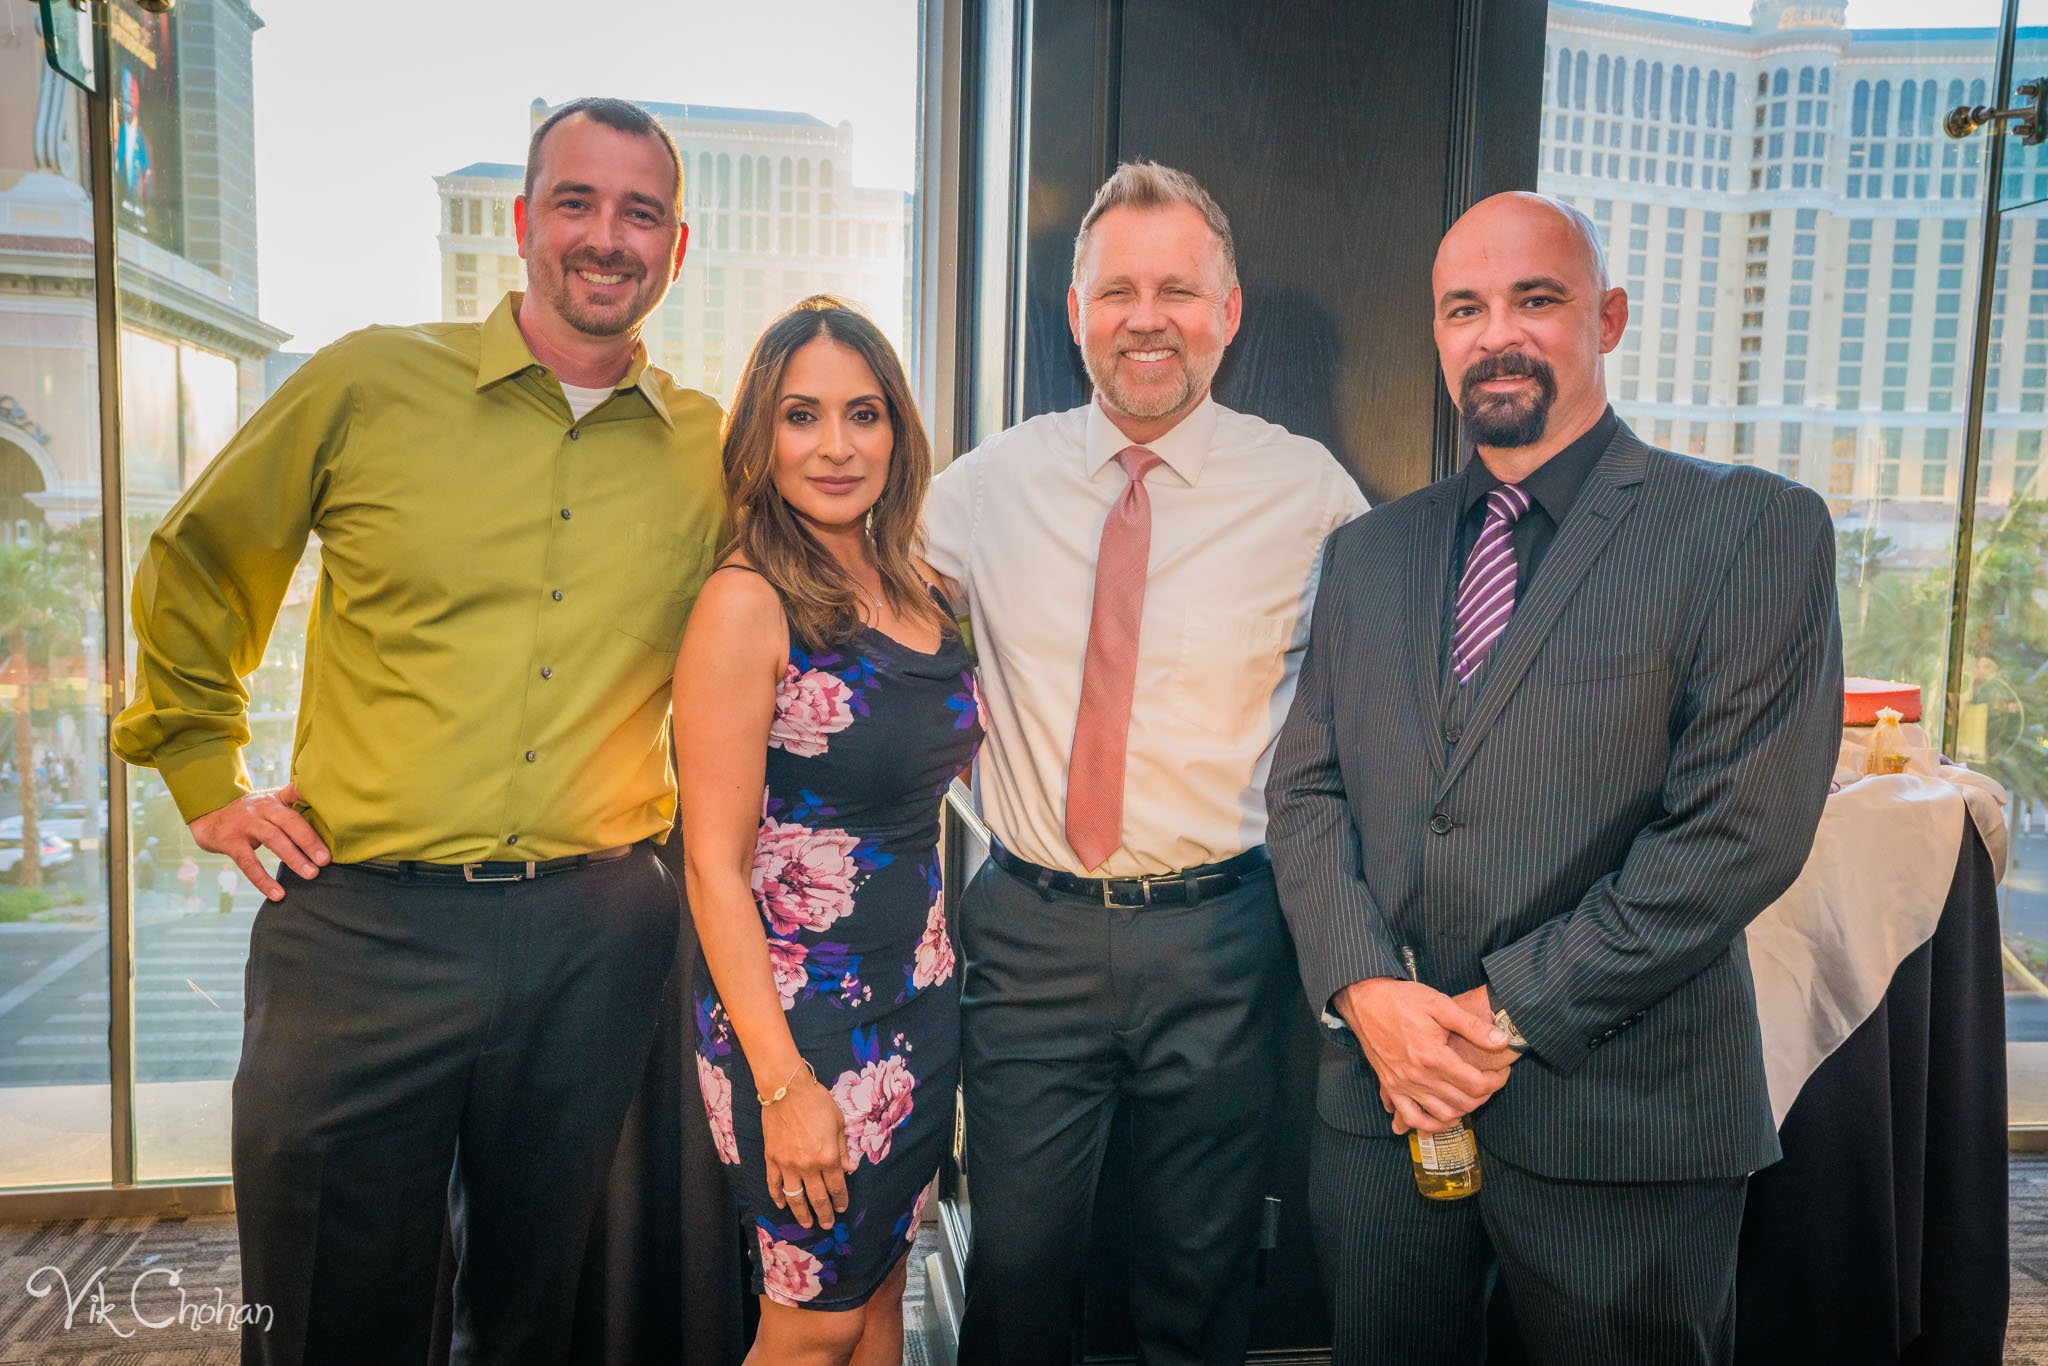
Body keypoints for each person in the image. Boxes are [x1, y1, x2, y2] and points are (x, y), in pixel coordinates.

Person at [110, 97, 724, 1364]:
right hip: (361, 928)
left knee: (543, 1309)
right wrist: (202, 771)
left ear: (676, 247)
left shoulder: (711, 451)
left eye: (639, 213)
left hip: (594, 939)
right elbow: (203, 560)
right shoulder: (368, 380)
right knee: (331, 1302)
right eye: (576, 202)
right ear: (521, 224)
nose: (606, 237)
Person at [1266, 191, 1843, 1364]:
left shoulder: (1747, 529)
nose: (1496, 334)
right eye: (1463, 308)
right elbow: (1305, 795)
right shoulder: (1365, 553)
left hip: (1624, 1122)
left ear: (1607, 317)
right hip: (1385, 1110)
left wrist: (1502, 1012)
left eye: (1535, 299)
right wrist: (1367, 993)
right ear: (1435, 335)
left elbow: (1737, 832)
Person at [922, 161, 1366, 1364]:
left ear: (1226, 313)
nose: (1146, 315)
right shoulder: (976, 491)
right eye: (1116, 288)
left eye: (1177, 288)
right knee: (1016, 1271)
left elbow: (1380, 711)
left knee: (1198, 1271)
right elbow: (849, 635)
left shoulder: (1311, 496)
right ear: (1075, 314)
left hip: (1223, 939)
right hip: (1027, 932)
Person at [678, 295, 981, 1366]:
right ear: (760, 435)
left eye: (863, 413)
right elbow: (712, 870)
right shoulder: (745, 602)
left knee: (881, 1298)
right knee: (809, 1330)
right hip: (797, 1031)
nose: (836, 445)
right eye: (801, 416)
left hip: (919, 999)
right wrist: (784, 1086)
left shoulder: (921, 588)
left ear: (897, 429)